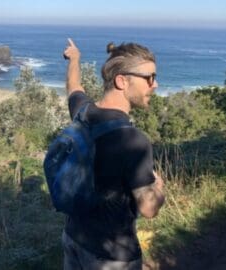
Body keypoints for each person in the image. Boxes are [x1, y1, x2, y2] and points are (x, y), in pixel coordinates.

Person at [61, 38, 165, 270]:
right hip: (112, 257)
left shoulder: (83, 112)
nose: (155, 85)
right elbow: (149, 209)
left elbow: (73, 86)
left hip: (73, 238)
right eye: (150, 78)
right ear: (122, 81)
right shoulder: (134, 141)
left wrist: (75, 58)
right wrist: (159, 186)